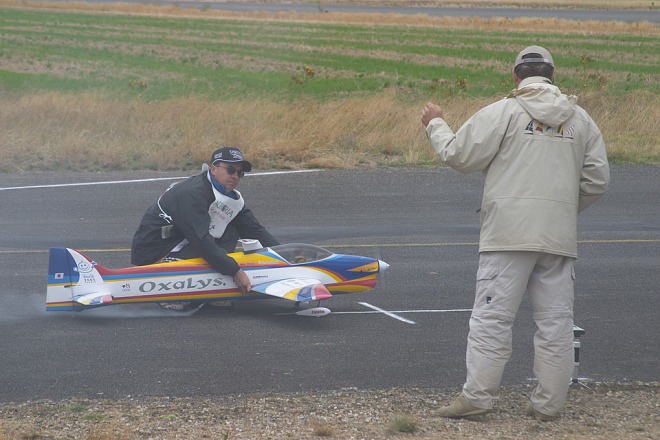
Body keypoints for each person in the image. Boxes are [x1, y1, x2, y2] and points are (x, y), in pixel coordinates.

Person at [421, 46, 610, 421]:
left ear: (516, 77)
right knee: (555, 323)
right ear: (553, 76)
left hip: (507, 236)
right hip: (557, 238)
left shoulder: (503, 112)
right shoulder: (582, 120)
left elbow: (459, 156)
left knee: (492, 320)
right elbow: (597, 181)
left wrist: (435, 123)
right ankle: (548, 405)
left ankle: (477, 397)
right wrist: (558, 210)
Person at [131, 147, 280, 307]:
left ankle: (211, 286)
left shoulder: (229, 197)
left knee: (232, 230)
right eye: (230, 170)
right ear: (213, 169)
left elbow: (255, 230)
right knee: (207, 244)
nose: (235, 176)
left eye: (240, 173)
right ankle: (168, 283)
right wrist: (234, 271)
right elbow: (200, 240)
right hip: (155, 250)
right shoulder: (191, 193)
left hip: (182, 239)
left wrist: (283, 258)